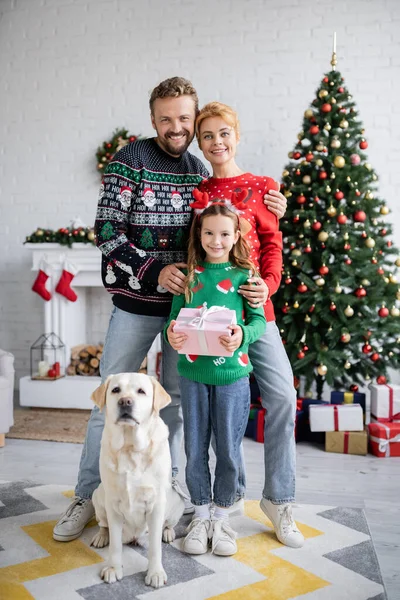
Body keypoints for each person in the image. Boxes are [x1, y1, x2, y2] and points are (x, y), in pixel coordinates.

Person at [52, 77, 287, 543]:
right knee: (106, 398)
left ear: (194, 119)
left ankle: (175, 490)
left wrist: (271, 203)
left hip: (191, 309)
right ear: (153, 118)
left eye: (184, 118)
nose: (176, 127)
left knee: (177, 404)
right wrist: (154, 271)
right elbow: (107, 232)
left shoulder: (200, 171)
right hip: (137, 302)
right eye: (166, 118)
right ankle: (87, 495)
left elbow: (229, 221)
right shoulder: (129, 160)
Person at [195, 101, 304, 548]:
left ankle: (279, 500)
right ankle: (208, 503)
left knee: (282, 395)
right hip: (212, 318)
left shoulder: (264, 187)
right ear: (199, 144)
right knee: (203, 409)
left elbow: (274, 247)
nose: (217, 142)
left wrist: (269, 286)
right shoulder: (198, 193)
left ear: (236, 135)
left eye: (224, 133)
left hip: (257, 313)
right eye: (207, 136)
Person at [165, 199, 266, 556]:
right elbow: (174, 319)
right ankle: (201, 515)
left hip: (233, 378)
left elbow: (258, 322)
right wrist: (172, 334)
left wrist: (242, 334)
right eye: (209, 233)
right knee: (194, 449)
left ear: (236, 234)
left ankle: (221, 518)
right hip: (192, 375)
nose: (216, 240)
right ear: (200, 234)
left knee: (227, 448)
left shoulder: (244, 277)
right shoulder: (191, 278)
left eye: (224, 233)